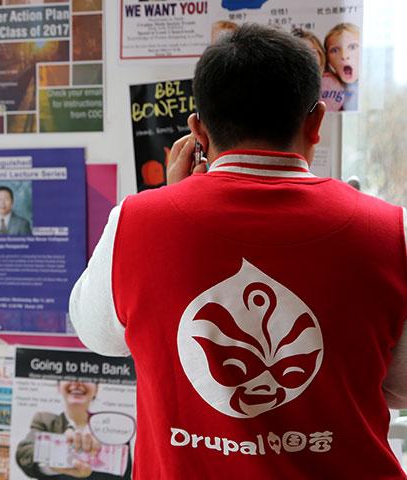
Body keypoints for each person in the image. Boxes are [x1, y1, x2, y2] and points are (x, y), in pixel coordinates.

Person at [70, 24, 407, 478]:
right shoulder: (391, 231)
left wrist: (170, 204)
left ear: (197, 130)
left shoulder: (134, 222)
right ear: (316, 122)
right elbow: (401, 385)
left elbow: (98, 336)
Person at [16, 381, 129, 479]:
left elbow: (127, 472)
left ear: (96, 389)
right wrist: (57, 456)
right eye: (69, 376)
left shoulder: (114, 428)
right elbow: (23, 455)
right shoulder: (45, 421)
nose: (77, 383)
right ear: (58, 386)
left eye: (86, 378)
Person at [324, 22, 360, 111]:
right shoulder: (326, 87)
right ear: (328, 59)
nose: (344, 56)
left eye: (352, 47)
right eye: (335, 50)